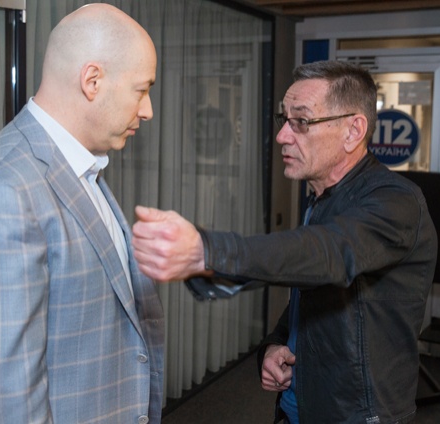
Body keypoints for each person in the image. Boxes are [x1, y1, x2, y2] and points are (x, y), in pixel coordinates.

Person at [131, 60, 438, 423]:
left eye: (302, 122)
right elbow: (310, 289)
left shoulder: (396, 201)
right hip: (299, 406)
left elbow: (329, 253)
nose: (282, 136)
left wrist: (206, 251)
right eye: (285, 119)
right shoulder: (322, 198)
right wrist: (274, 343)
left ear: (353, 130)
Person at [0, 4, 164, 423]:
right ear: (92, 81)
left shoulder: (76, 166)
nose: (147, 109)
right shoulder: (0, 193)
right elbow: (3, 406)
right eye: (141, 89)